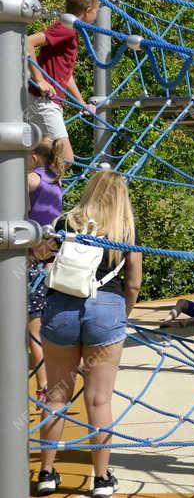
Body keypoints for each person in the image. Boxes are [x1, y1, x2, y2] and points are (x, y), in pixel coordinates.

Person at [34, 170, 143, 497]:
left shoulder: (67, 221)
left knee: (56, 396)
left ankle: (47, 473)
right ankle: (101, 479)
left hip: (62, 310)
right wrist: (123, 314)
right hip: (107, 307)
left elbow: (42, 255)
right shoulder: (124, 229)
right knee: (99, 399)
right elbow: (134, 281)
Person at [25, 0, 100, 168]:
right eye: (97, 10)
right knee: (65, 159)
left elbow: (66, 75)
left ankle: (31, 187)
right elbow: (27, 42)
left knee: (44, 157)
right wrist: (39, 79)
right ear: (88, 10)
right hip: (43, 101)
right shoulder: (66, 28)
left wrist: (81, 102)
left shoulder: (71, 29)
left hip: (50, 102)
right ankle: (34, 188)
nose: (97, 15)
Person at [26, 136, 65, 408]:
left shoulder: (33, 179)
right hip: (51, 253)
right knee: (40, 321)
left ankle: (43, 384)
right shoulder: (56, 179)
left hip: (33, 252)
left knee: (33, 327)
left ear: (34, 158)